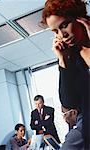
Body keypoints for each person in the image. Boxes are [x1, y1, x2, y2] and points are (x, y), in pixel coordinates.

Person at [41, 0, 90, 149]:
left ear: (79, 18)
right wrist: (62, 61)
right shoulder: (72, 57)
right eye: (55, 31)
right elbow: (69, 102)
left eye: (64, 25)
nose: (62, 35)